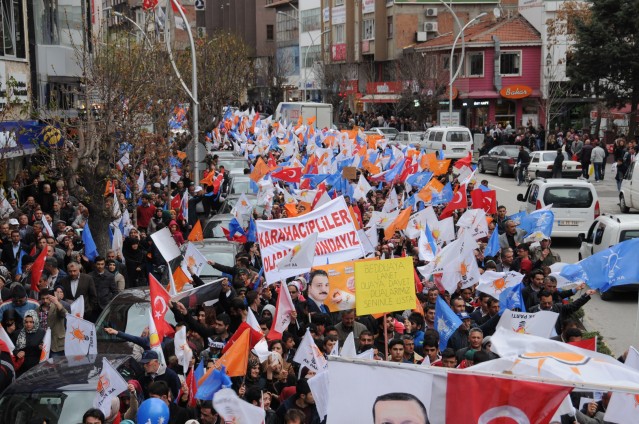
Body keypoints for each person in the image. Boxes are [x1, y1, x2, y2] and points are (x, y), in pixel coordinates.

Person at [13, 309, 45, 376]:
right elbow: (12, 348)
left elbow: (45, 349)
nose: (28, 324)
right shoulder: (17, 333)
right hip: (21, 366)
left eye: (31, 322)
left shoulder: (42, 332)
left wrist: (40, 347)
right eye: (26, 322)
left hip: (36, 366)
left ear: (35, 321)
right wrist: (17, 352)